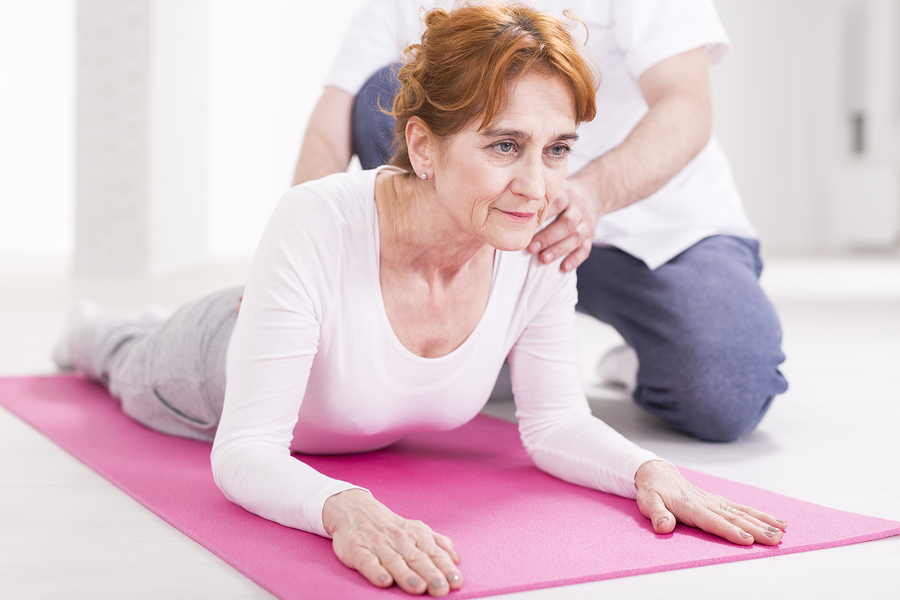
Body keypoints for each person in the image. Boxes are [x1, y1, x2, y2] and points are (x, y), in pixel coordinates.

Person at [54, 4, 786, 596]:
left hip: (377, 402)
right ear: (422, 147)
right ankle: (100, 332)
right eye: (505, 146)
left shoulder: (537, 235)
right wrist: (344, 509)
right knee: (120, 360)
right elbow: (244, 451)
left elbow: (557, 419)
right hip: (215, 357)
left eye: (558, 148)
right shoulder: (317, 220)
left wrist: (645, 472)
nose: (538, 185)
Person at [297, 0, 789, 443]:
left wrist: (592, 193)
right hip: (489, 224)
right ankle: (483, 330)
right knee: (378, 92)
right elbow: (329, 129)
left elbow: (686, 104)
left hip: (652, 226)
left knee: (726, 388)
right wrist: (303, 263)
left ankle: (626, 354)